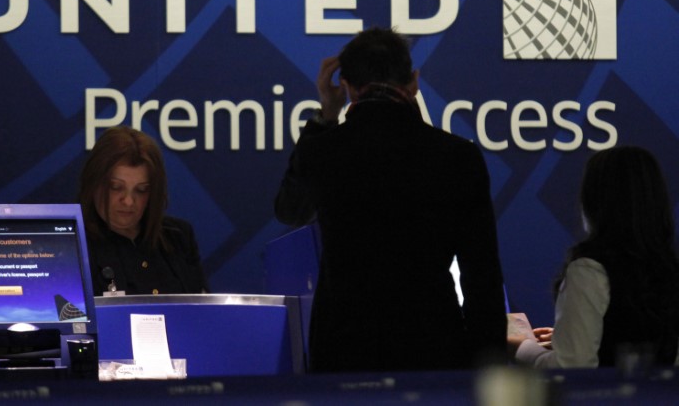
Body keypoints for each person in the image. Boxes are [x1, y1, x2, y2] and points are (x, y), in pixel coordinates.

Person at [274, 27, 507, 372]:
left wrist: (326, 114)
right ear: (413, 81)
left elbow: (289, 210)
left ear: (347, 87)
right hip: (432, 347)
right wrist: (488, 367)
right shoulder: (456, 156)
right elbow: (482, 275)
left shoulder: (324, 150)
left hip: (343, 352)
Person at [509, 146, 679, 368]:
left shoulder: (589, 271)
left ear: (594, 200)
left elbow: (571, 366)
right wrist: (570, 337)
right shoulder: (669, 268)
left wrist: (522, 346)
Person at [79, 126, 208, 296]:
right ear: (94, 183)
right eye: (116, 187)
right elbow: (66, 318)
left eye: (141, 190)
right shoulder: (72, 244)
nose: (128, 201)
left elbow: (202, 310)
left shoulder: (179, 236)